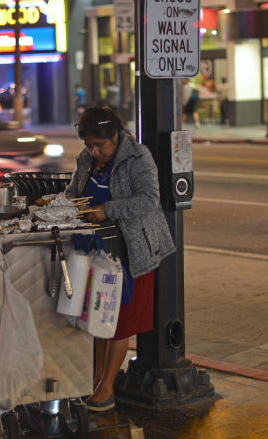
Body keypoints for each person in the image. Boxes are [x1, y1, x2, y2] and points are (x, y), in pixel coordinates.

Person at [66, 107, 175, 412]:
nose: (93, 151)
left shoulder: (138, 158)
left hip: (134, 250)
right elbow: (74, 190)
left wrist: (107, 210)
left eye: (100, 145)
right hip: (99, 249)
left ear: (115, 136)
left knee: (121, 321)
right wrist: (68, 203)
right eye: (89, 145)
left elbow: (149, 199)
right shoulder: (87, 159)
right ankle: (98, 379)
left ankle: (107, 387)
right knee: (99, 317)